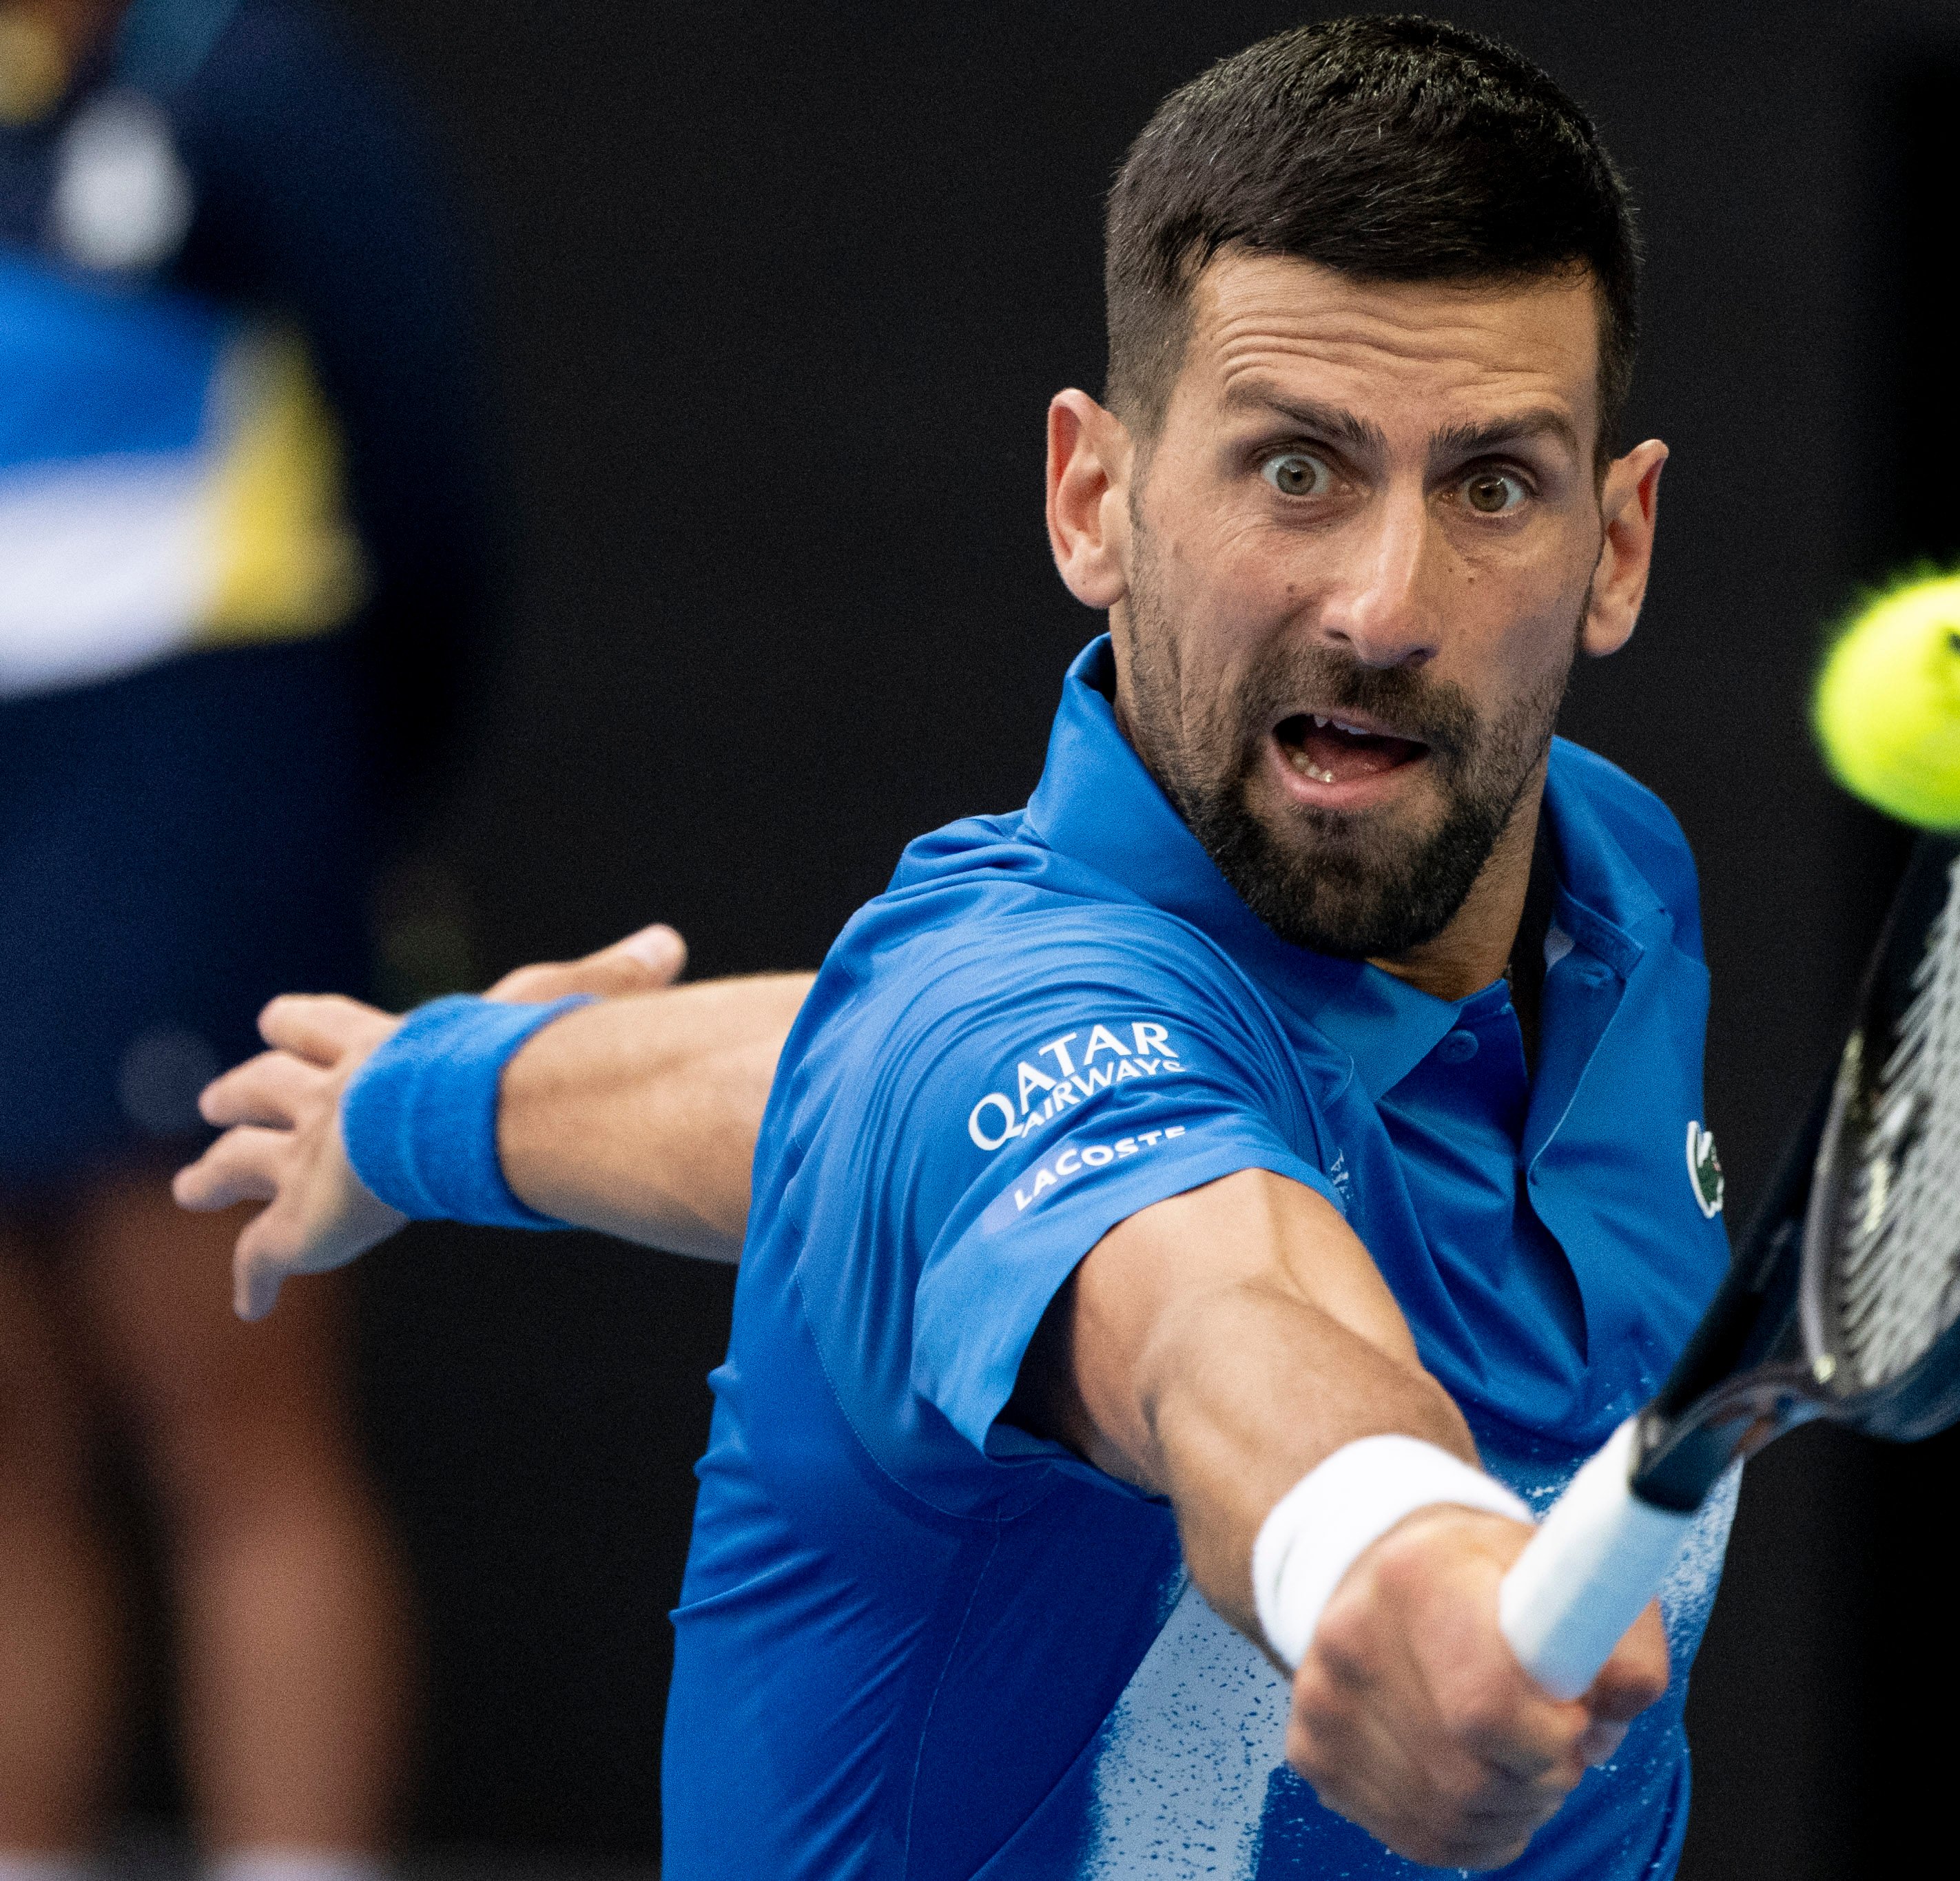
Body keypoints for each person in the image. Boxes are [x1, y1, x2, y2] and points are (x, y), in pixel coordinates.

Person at [180, 19, 1740, 1878]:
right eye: (1294, 470)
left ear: (1616, 540)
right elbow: (1209, 1308)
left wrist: (437, 1096)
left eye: (1491, 484)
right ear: (1094, 498)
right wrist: (1386, 1540)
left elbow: (821, 1088)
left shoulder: (1607, 879)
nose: (1386, 605)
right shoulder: (1013, 1012)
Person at [0, 1, 487, 1876]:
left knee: (236, 1433)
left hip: (186, 830)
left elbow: (435, 506)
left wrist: (311, 809)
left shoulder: (262, 103)